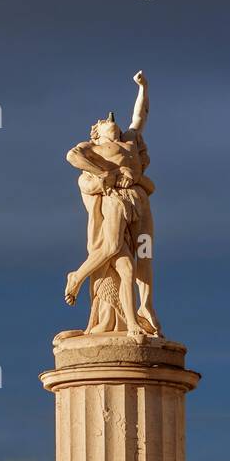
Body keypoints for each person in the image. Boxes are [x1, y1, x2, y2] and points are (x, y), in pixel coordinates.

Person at [64, 71, 161, 337]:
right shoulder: (94, 148)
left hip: (139, 201)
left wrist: (143, 87)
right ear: (95, 133)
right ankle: (78, 276)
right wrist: (103, 173)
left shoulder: (129, 140)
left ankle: (146, 307)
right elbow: (72, 156)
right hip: (115, 199)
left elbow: (141, 116)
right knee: (113, 246)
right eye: (102, 122)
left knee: (145, 252)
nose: (110, 119)